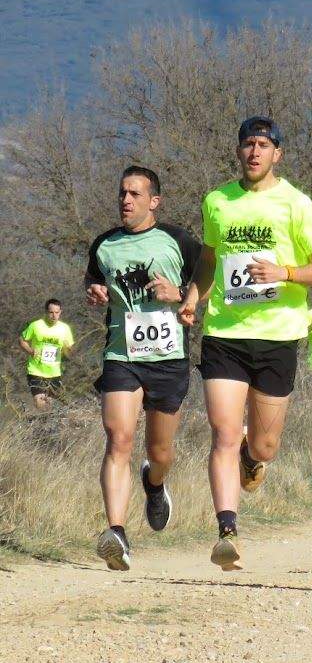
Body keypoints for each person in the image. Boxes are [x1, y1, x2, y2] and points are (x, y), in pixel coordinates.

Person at [178, 116, 312, 571]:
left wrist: (284, 272)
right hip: (225, 333)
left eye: (263, 145)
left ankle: (254, 457)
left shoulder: (295, 204)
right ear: (238, 151)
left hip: (278, 335)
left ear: (277, 153)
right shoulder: (217, 201)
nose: (254, 152)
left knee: (263, 446)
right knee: (224, 432)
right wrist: (193, 296)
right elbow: (210, 259)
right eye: (247, 144)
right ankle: (227, 530)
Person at [85, 166, 200, 570]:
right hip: (122, 356)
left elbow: (209, 280)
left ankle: (155, 484)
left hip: (168, 359)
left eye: (135, 194)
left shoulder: (179, 240)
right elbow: (95, 282)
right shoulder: (104, 245)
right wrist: (95, 292)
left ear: (154, 201)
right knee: (118, 439)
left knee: (159, 451)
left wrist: (183, 294)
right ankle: (115, 532)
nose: (125, 200)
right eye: (121, 193)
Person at [20, 299, 74, 411]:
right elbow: (22, 340)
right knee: (40, 400)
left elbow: (69, 352)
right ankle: (45, 419)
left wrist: (67, 349)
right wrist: (30, 351)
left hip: (54, 372)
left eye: (57, 312)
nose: (54, 316)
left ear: (60, 312)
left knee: (51, 403)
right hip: (36, 370)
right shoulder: (36, 325)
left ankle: (48, 424)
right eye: (51, 312)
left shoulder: (65, 328)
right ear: (46, 312)